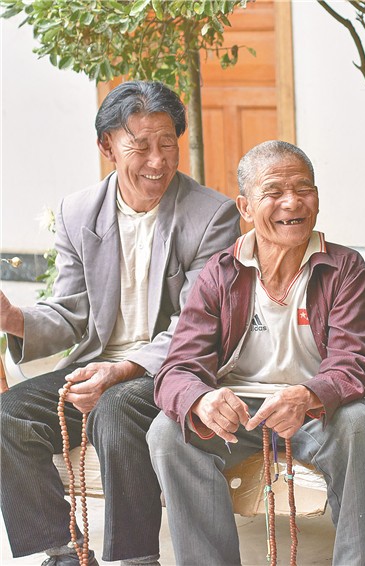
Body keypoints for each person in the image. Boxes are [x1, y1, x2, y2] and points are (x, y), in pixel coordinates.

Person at [148, 140, 365, 565]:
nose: (292, 202)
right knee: (167, 432)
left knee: (358, 424)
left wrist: (308, 395)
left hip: (319, 410)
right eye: (274, 192)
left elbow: (355, 359)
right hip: (242, 414)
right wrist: (202, 399)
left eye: (303, 189)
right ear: (245, 208)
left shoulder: (343, 267)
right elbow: (178, 366)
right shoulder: (220, 272)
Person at [0, 81, 241, 565]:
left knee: (115, 409)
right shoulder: (77, 212)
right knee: (7, 415)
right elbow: (72, 312)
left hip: (170, 369)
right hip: (97, 366)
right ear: (107, 146)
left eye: (167, 143)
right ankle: (65, 550)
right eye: (140, 145)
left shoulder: (211, 215)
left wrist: (122, 370)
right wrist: (16, 319)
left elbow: (196, 325)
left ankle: (136, 559)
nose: (157, 160)